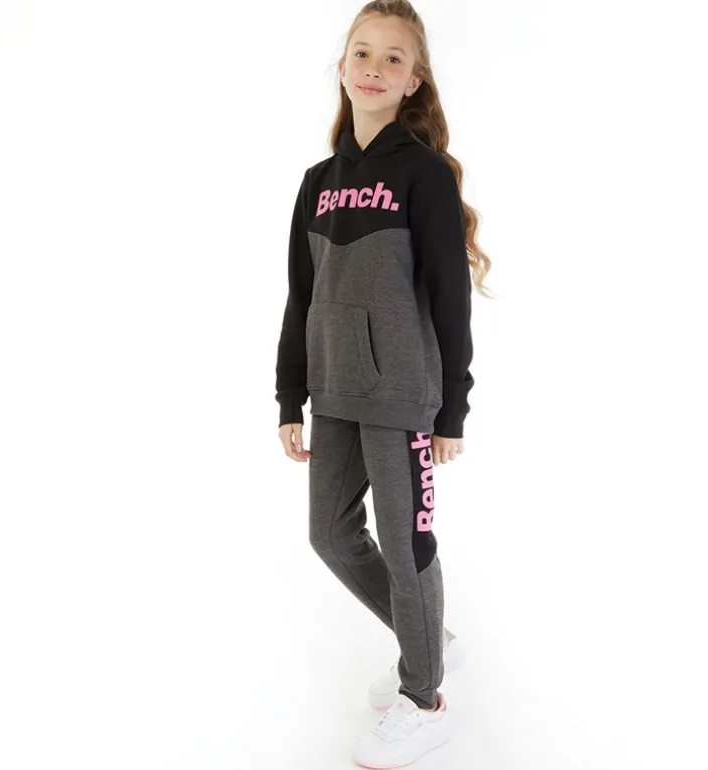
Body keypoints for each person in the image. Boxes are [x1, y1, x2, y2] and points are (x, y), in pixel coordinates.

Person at [274, 1, 492, 766]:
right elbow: (302, 295)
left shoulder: (422, 174)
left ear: (413, 80)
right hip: (334, 390)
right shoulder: (317, 183)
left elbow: (451, 295)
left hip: (401, 393)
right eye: (362, 53)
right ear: (341, 67)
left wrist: (452, 407)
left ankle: (424, 697)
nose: (374, 68)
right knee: (331, 535)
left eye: (393, 58)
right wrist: (289, 396)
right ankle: (429, 641)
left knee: (408, 544)